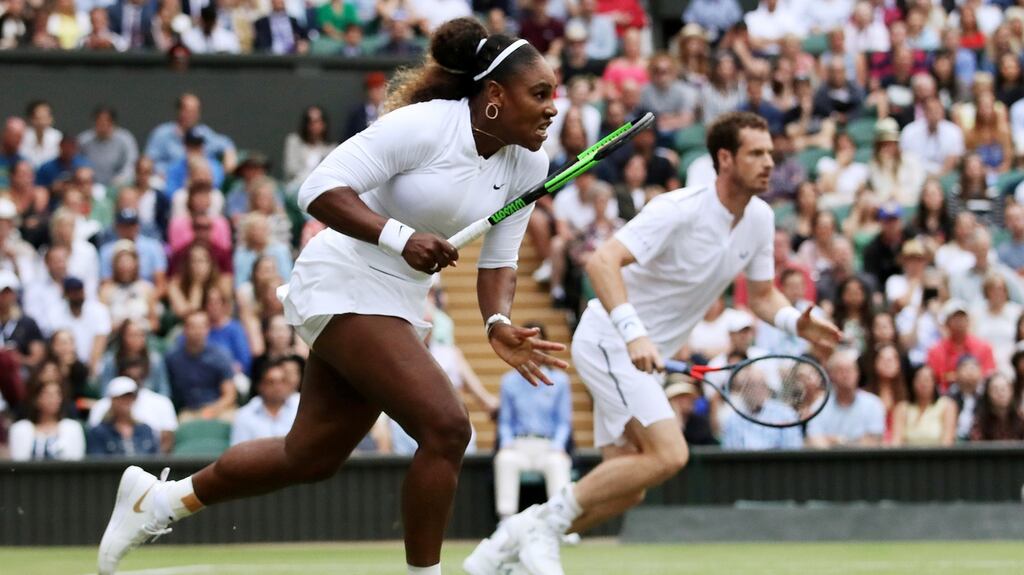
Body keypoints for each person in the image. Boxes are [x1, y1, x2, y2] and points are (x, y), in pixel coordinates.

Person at [98, 18, 564, 575]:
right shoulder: (424, 127)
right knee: (447, 427)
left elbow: (500, 263)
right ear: (493, 95)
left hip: (398, 301)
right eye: (539, 94)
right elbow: (316, 189)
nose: (552, 108)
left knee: (310, 456)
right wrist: (400, 236)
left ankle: (159, 502)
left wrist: (496, 323)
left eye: (553, 95)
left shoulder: (529, 164)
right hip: (343, 278)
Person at [466, 112, 842, 575]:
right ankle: (543, 531)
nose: (769, 163)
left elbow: (763, 295)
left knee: (628, 485)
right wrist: (634, 332)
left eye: (770, 153)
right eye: (756, 153)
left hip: (643, 357)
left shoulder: (760, 219)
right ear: (725, 159)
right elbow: (602, 262)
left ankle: (506, 546)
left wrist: (792, 320)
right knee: (670, 454)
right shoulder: (679, 208)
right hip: (611, 338)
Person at [493, 322, 572, 522]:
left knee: (557, 463)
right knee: (505, 460)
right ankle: (506, 522)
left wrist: (558, 446)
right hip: (519, 444)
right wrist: (507, 444)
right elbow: (505, 421)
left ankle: (561, 523)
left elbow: (564, 422)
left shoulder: (560, 380)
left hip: (548, 445)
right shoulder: (509, 381)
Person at [805, 348, 886, 448]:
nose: (846, 375)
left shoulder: (873, 404)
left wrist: (838, 441)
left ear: (858, 373)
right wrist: (856, 441)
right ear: (831, 376)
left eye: (850, 369)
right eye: (840, 370)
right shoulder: (818, 406)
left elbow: (873, 443)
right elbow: (816, 444)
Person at [8, 369, 85, 461]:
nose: (54, 399)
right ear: (36, 399)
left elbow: (77, 465)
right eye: (48, 394)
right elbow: (17, 466)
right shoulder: (20, 429)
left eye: (57, 394)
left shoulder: (73, 428)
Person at [230, 359, 299, 446]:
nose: (278, 387)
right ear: (260, 386)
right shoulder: (244, 415)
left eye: (282, 381)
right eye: (271, 382)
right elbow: (239, 452)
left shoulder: (300, 408)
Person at [87, 377, 160, 457]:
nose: (126, 401)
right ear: (112, 400)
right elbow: (97, 463)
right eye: (121, 397)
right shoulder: (98, 432)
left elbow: (155, 457)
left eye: (130, 397)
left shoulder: (145, 429)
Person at [890, 365, 957, 446]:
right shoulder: (902, 408)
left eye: (927, 380)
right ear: (912, 382)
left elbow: (947, 441)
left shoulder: (947, 405)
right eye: (919, 380)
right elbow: (896, 441)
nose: (923, 384)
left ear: (934, 383)